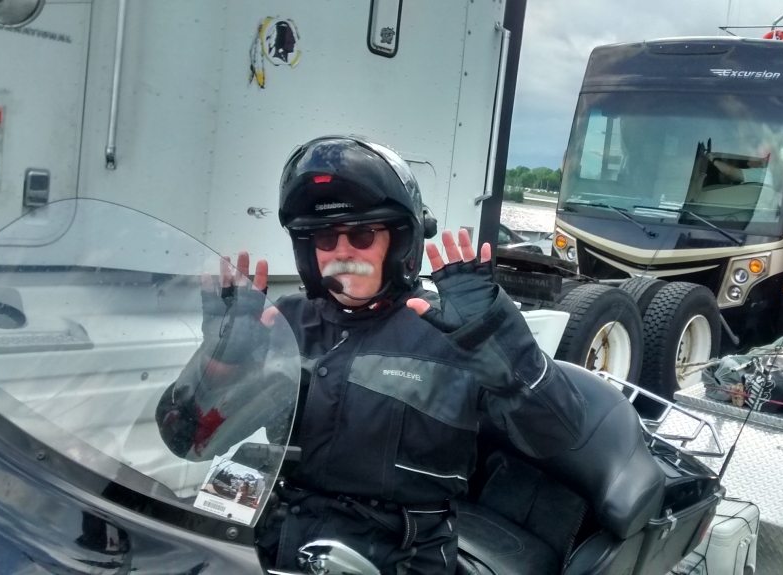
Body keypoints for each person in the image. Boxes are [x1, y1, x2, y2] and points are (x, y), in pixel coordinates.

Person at [156, 135, 587, 574]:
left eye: (362, 235)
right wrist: (223, 360)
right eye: (326, 237)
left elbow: (558, 434)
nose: (342, 251)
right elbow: (187, 442)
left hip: (400, 557)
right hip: (276, 542)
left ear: (399, 243)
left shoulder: (451, 333)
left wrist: (497, 339)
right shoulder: (282, 323)